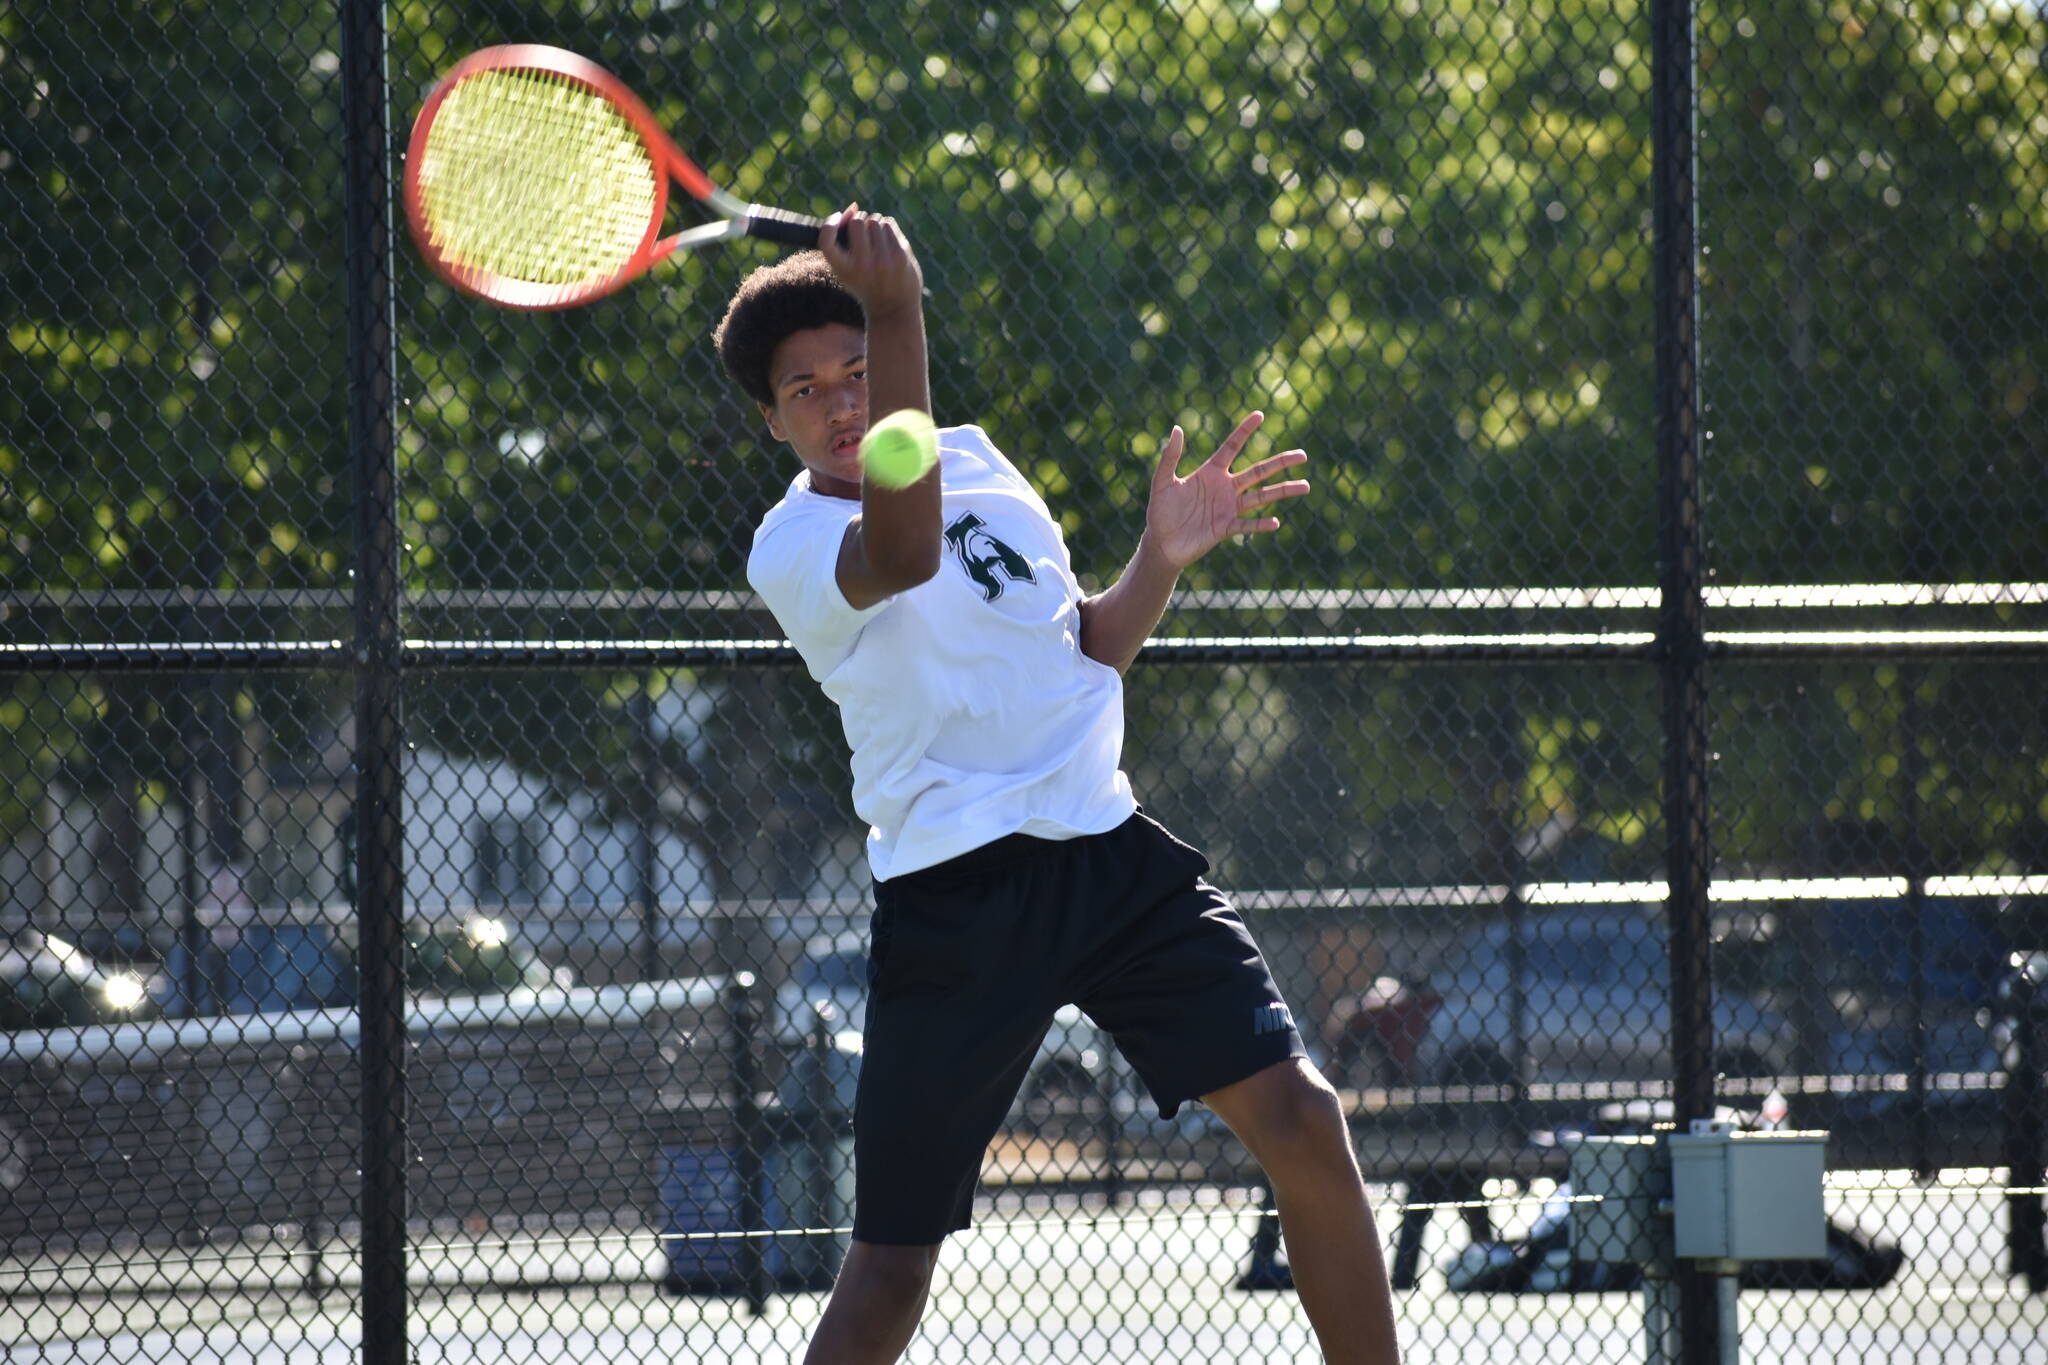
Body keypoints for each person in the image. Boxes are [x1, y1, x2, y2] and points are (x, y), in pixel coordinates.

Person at [715, 204, 1400, 1365]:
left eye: (856, 371)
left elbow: (1077, 648)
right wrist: (895, 308)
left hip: (1107, 854)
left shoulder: (978, 459)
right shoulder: (790, 550)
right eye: (804, 389)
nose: (837, 402)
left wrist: (1159, 561)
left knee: (1301, 1118)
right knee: (890, 1270)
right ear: (772, 421)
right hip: (956, 903)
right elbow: (904, 547)